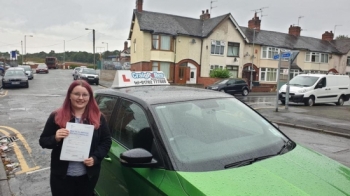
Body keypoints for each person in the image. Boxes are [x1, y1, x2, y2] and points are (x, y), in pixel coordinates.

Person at [39, 80, 112, 196]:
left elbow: (106, 141)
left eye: (85, 95)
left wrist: (95, 158)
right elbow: (43, 141)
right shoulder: (56, 116)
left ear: (90, 97)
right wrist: (56, 138)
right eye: (76, 94)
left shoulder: (98, 117)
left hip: (88, 176)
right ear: (69, 95)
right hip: (61, 177)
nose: (81, 98)